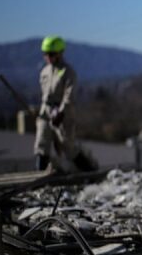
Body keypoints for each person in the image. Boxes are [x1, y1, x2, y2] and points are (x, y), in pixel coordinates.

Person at [34, 35, 96, 172]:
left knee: (68, 146)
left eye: (51, 54)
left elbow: (69, 96)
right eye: (45, 54)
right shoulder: (44, 72)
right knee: (41, 143)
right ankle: (39, 174)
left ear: (60, 53)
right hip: (46, 112)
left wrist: (61, 112)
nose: (48, 57)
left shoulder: (68, 72)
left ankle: (89, 172)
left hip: (63, 114)